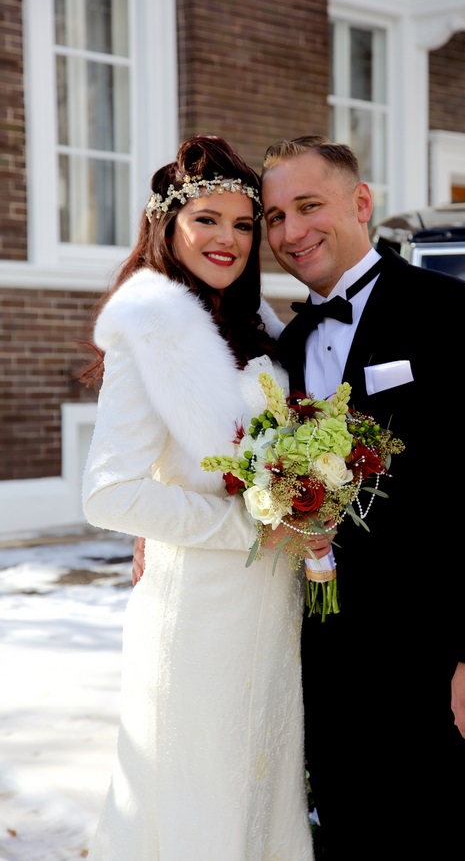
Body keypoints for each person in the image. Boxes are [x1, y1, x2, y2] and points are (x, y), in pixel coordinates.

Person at [259, 135, 465, 860]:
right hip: (336, 677)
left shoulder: (458, 313)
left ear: (361, 203)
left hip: (448, 670)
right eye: (272, 217)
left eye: (308, 206)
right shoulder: (286, 348)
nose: (290, 232)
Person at [80, 134, 332, 860]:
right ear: (170, 228)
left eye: (245, 225)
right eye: (207, 222)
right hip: (199, 619)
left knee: (258, 795)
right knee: (203, 805)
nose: (229, 240)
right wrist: (249, 528)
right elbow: (109, 494)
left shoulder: (256, 326)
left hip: (272, 611)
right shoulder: (152, 330)